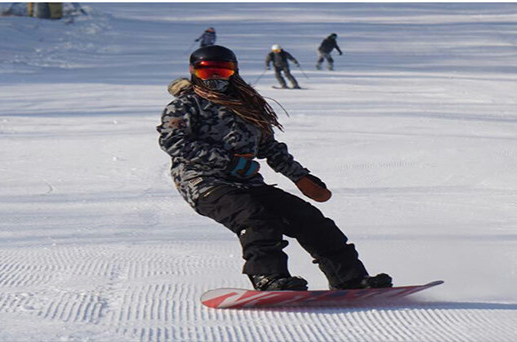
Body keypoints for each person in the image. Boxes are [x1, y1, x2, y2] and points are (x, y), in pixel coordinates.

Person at [157, 45, 391, 291]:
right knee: (255, 217)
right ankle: (268, 278)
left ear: (233, 72)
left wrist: (299, 176)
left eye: (222, 71)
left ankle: (349, 278)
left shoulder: (245, 105)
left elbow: (269, 146)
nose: (215, 78)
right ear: (194, 72)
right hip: (204, 183)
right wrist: (229, 162)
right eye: (207, 73)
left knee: (307, 217)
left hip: (247, 182)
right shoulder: (186, 106)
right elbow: (173, 142)